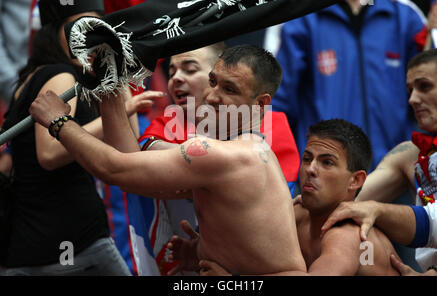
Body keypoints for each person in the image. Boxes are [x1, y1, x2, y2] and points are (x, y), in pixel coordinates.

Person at [28, 44, 308, 276]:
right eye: (213, 82)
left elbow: (115, 169)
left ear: (260, 105)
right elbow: (131, 169)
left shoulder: (224, 153)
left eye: (230, 90)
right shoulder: (234, 147)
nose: (211, 97)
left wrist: (59, 122)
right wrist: (203, 251)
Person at [0, 0, 153, 276]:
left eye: (96, 27)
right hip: (71, 240)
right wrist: (121, 113)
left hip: (33, 244)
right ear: (54, 33)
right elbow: (49, 153)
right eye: (76, 26)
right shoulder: (60, 75)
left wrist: (116, 79)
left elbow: (126, 148)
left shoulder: (41, 75)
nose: (86, 36)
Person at [134, 43, 300, 275]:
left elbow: (272, 226)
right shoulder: (165, 123)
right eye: (171, 72)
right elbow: (132, 171)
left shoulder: (271, 126)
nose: (177, 79)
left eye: (190, 70)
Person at [170, 119, 401, 276]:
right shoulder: (297, 213)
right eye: (308, 158)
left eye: (327, 162)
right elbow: (246, 249)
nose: (310, 169)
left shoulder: (349, 232)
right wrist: (201, 252)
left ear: (355, 181)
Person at [268, 0, 426, 171]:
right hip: (326, 177)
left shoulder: (405, 16)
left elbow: (430, 97)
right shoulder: (301, 17)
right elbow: (276, 105)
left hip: (396, 176)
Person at [320, 48, 437, 274]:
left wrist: (378, 210)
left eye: (424, 86)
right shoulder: (409, 154)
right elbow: (345, 200)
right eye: (410, 90)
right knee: (353, 227)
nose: (412, 99)